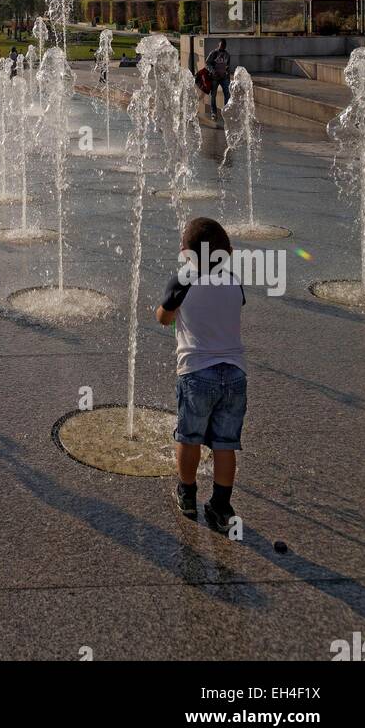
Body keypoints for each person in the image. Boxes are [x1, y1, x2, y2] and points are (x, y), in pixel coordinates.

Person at [155, 217, 247, 534]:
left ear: (185, 253)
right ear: (228, 252)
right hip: (235, 375)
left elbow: (163, 318)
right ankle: (221, 505)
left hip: (196, 373)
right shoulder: (234, 281)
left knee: (189, 437)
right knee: (225, 444)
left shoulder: (183, 281)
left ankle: (188, 494)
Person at [206, 39, 231, 120]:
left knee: (227, 94)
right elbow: (207, 63)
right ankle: (214, 113)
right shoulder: (214, 53)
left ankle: (226, 112)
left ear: (225, 46)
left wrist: (227, 76)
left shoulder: (227, 54)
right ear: (218, 45)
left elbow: (228, 66)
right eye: (221, 46)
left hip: (224, 77)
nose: (222, 47)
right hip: (215, 78)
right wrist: (213, 71)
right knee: (213, 95)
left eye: (224, 46)